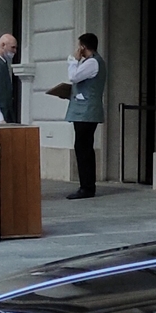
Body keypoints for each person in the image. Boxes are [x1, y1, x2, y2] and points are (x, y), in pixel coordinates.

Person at [43, 32, 104, 198]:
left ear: (83, 47)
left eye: (79, 46)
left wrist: (73, 59)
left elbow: (74, 76)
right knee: (84, 147)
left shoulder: (92, 62)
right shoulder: (93, 62)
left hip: (85, 112)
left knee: (83, 148)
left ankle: (87, 187)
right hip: (85, 111)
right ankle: (87, 185)